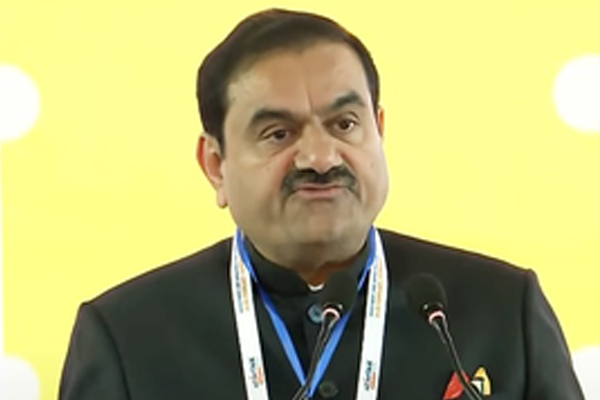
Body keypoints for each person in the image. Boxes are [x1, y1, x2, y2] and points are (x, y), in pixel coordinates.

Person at [59, 8, 585, 400]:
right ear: (216, 164)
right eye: (278, 132)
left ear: (379, 132)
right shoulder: (128, 336)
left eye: (344, 124)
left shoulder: (499, 310)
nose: (319, 156)